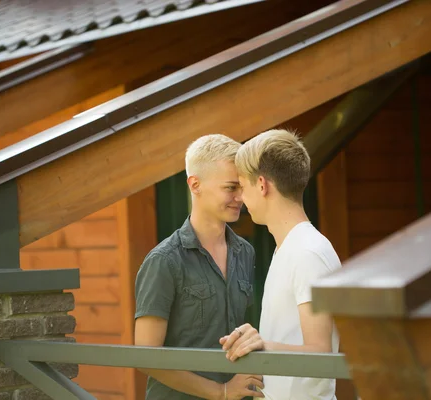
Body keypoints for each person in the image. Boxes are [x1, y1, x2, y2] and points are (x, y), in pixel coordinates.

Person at [134, 134, 264, 399]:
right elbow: (145, 356)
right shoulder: (164, 260)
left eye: (241, 186)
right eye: (230, 188)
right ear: (195, 185)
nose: (240, 197)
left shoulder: (245, 252)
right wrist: (221, 391)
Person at [220, 129, 342, 400]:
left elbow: (322, 354)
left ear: (262, 185)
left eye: (243, 185)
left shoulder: (307, 252)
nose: (239, 197)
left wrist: (262, 345)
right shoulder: (287, 248)